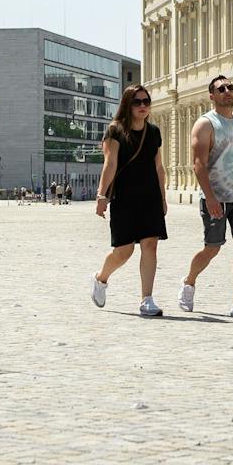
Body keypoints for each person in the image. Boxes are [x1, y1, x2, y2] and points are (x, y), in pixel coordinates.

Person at [179, 74, 233, 318]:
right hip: (215, 197)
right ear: (212, 96)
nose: (227, 91)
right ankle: (189, 282)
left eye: (230, 87)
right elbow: (198, 164)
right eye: (221, 88)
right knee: (212, 248)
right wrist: (211, 198)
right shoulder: (205, 124)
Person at [90, 85, 167, 316]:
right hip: (124, 197)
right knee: (124, 251)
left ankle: (147, 299)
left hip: (150, 196)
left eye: (146, 101)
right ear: (127, 104)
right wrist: (102, 195)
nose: (143, 106)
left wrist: (163, 197)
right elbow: (110, 164)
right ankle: (101, 278)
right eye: (137, 102)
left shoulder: (153, 132)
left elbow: (159, 166)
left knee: (150, 245)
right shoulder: (115, 130)